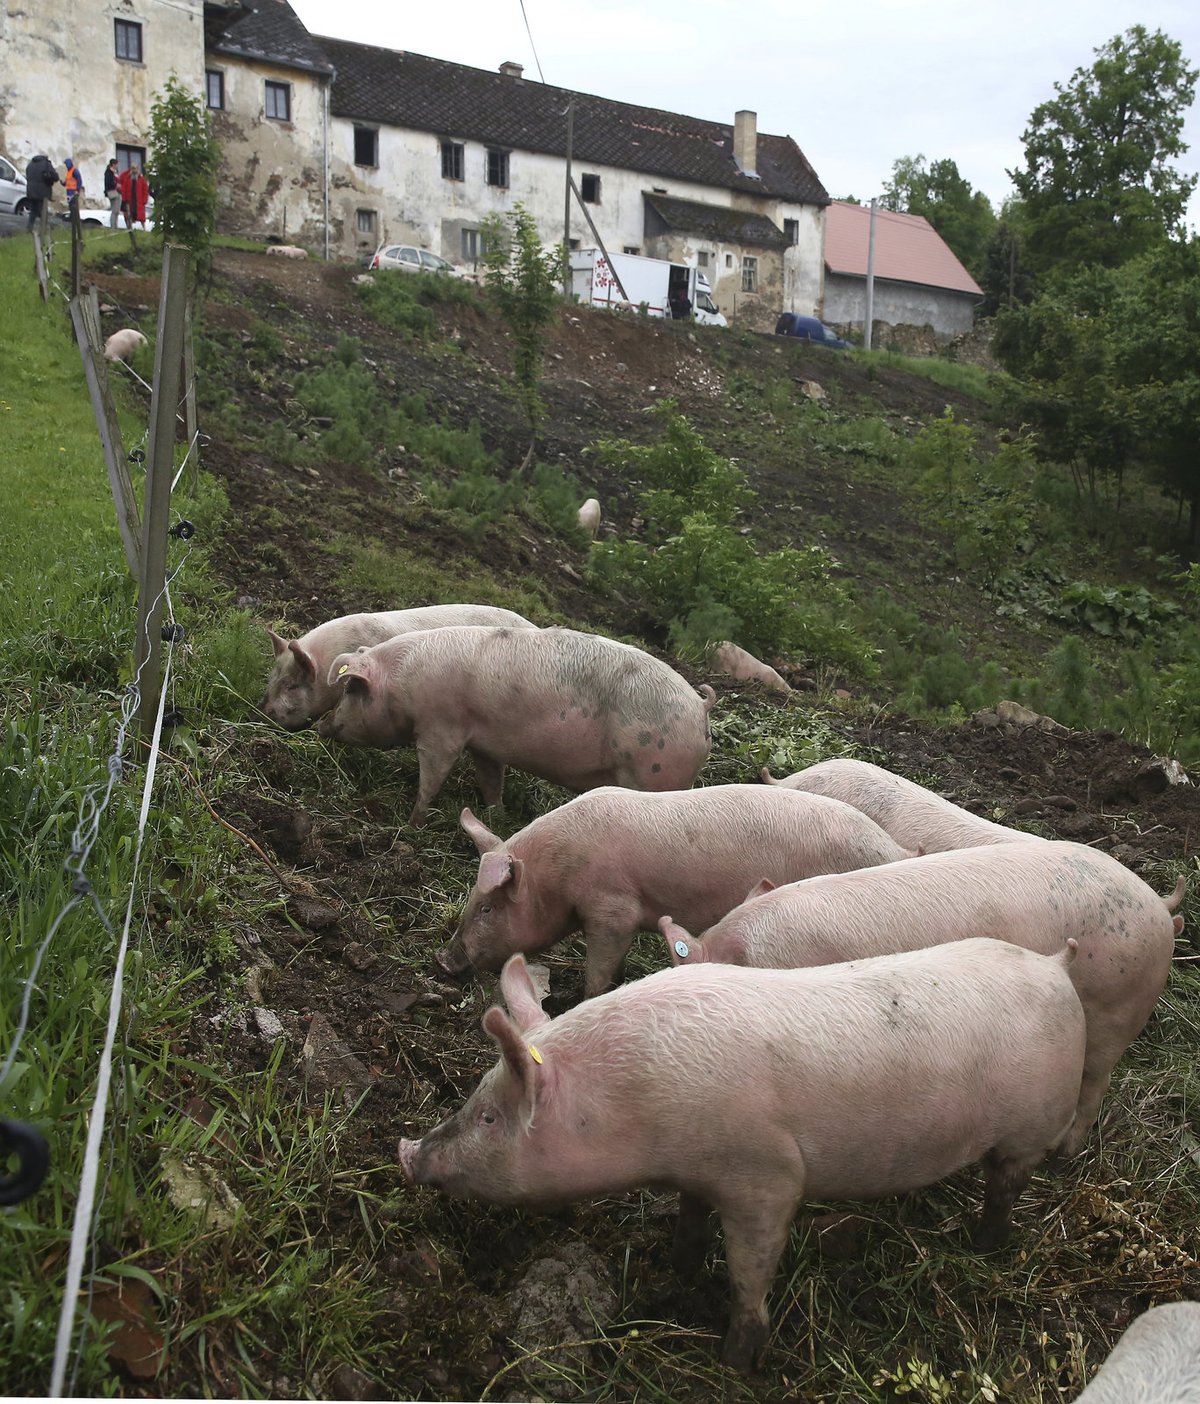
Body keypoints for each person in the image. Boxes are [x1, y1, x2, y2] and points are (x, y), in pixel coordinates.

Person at [24, 153, 60, 230]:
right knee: (42, 210)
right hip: (42, 191)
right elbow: (55, 177)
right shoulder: (46, 164)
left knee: (34, 209)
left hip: (30, 190)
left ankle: (30, 227)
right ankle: (45, 227)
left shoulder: (30, 165)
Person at [117, 162, 149, 227]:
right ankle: (130, 228)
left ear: (137, 169)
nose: (133, 170)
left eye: (135, 168)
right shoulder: (127, 178)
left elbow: (145, 190)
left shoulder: (141, 179)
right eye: (132, 168)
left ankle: (144, 228)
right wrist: (124, 199)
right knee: (129, 215)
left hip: (139, 201)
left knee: (141, 216)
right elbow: (124, 189)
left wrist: (145, 200)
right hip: (130, 200)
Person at [104, 158, 121, 228]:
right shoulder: (109, 172)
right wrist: (116, 184)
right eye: (116, 164)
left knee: (116, 210)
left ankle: (114, 225)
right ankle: (113, 225)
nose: (117, 166)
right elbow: (108, 182)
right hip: (112, 191)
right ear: (113, 164)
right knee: (115, 210)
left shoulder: (113, 172)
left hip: (113, 191)